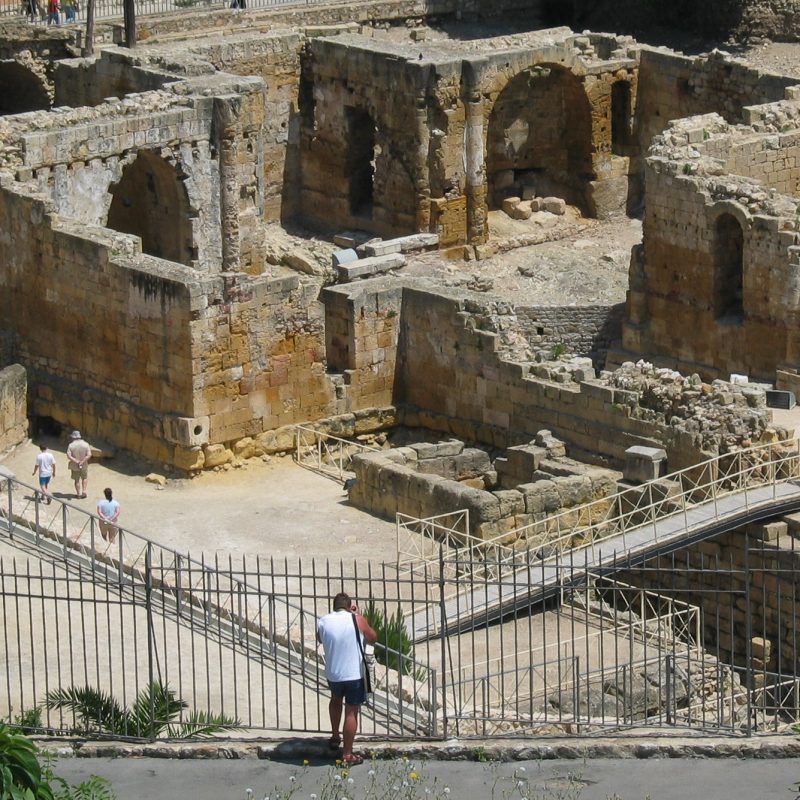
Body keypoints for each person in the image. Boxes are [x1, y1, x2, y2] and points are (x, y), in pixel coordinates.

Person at [317, 592, 376, 766]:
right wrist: (357, 615)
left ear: (334, 607)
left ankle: (335, 736)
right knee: (351, 712)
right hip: (353, 674)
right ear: (350, 606)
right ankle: (347, 754)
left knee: (335, 701)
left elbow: (321, 638)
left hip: (333, 673)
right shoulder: (356, 619)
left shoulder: (324, 621)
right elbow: (372, 637)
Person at [66, 430, 91, 499]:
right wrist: (82, 461)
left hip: (74, 466)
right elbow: (89, 455)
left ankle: (78, 494)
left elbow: (68, 456)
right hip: (84, 465)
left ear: (73, 437)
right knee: (84, 478)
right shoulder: (86, 444)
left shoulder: (71, 445)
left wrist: (76, 461)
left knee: (77, 480)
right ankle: (84, 491)